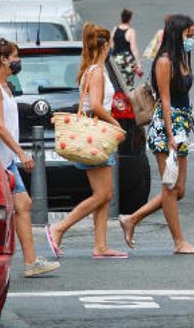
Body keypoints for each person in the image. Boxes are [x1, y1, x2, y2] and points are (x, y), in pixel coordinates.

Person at [118, 15, 194, 255]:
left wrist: (192, 124)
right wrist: (170, 134)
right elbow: (165, 100)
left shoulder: (181, 59)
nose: (192, 40)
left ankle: (132, 219)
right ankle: (179, 242)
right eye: (189, 35)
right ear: (178, 35)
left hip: (181, 123)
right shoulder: (165, 62)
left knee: (179, 190)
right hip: (166, 128)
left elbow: (183, 98)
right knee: (170, 188)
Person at [46, 23, 129, 260]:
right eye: (110, 43)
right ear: (105, 45)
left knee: (104, 193)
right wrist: (115, 123)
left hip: (94, 135)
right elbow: (95, 105)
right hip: (97, 136)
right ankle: (59, 227)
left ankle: (101, 246)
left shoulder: (91, 69)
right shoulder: (96, 72)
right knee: (103, 194)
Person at [0, 38, 60, 278]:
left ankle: (30, 262)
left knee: (22, 205)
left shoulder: (6, 86)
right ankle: (7, 261)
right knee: (0, 209)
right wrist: (21, 152)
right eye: (15, 56)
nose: (18, 61)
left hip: (5, 159)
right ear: (3, 60)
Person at [110, 9, 142, 89]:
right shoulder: (131, 31)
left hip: (116, 59)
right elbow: (133, 48)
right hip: (127, 61)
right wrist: (138, 63)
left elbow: (111, 45)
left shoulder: (115, 29)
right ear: (130, 19)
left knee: (116, 82)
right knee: (128, 84)